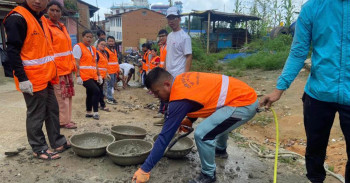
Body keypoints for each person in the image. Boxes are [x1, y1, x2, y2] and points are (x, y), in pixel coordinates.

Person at [260, 1, 350, 182]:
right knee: (315, 149)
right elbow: (298, 51)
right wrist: (279, 89)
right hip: (318, 93)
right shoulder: (313, 7)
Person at [132, 68, 258, 183]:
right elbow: (200, 98)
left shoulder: (178, 99)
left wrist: (145, 169)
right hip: (238, 94)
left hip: (243, 103)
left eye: (156, 92)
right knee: (216, 124)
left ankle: (208, 176)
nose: (156, 96)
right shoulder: (181, 79)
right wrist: (190, 120)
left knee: (202, 134)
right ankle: (220, 150)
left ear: (166, 84)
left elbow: (164, 137)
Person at [4, 0, 70, 160]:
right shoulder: (18, 18)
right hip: (32, 79)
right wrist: (22, 78)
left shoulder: (40, 18)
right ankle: (39, 147)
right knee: (36, 114)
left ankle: (57, 141)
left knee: (52, 110)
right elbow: (12, 51)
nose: (38, 1)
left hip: (47, 76)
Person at [47, 1, 77, 129]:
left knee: (68, 96)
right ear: (47, 11)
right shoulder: (46, 27)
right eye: (52, 10)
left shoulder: (62, 26)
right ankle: (62, 122)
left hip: (67, 68)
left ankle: (67, 119)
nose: (55, 13)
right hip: (57, 70)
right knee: (60, 98)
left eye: (58, 10)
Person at [73, 30, 103, 120]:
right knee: (96, 91)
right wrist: (78, 76)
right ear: (83, 37)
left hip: (93, 75)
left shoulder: (93, 49)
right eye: (87, 37)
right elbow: (76, 62)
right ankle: (96, 112)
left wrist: (99, 75)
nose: (89, 39)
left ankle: (89, 112)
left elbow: (95, 63)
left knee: (90, 93)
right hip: (84, 76)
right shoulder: (78, 47)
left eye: (91, 37)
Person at [165, 6, 192, 78]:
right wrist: (164, 70)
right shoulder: (169, 36)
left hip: (179, 76)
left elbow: (189, 56)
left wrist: (185, 76)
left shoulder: (185, 37)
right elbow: (168, 54)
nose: (171, 21)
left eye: (174, 18)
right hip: (168, 75)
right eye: (169, 18)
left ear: (179, 19)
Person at [96, 39, 111, 112]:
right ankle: (102, 105)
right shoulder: (96, 53)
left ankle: (99, 104)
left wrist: (107, 74)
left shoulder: (104, 54)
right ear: (98, 45)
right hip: (97, 76)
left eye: (104, 45)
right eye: (101, 44)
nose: (103, 46)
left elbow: (105, 65)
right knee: (99, 91)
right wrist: (98, 75)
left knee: (100, 91)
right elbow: (95, 65)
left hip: (103, 76)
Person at [105, 36, 119, 105]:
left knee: (111, 85)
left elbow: (116, 61)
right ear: (107, 42)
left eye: (112, 41)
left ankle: (110, 97)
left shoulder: (114, 50)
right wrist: (106, 72)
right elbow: (105, 62)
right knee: (109, 85)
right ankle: (109, 98)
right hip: (109, 71)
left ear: (114, 42)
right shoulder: (106, 51)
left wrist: (118, 70)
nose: (111, 43)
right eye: (109, 41)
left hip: (114, 71)